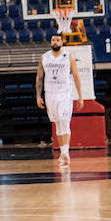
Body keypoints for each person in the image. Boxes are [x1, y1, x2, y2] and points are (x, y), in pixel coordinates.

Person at [37, 33, 85, 167]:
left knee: (64, 121)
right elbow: (39, 78)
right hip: (50, 94)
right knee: (57, 123)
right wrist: (38, 95)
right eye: (53, 40)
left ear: (62, 42)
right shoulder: (44, 57)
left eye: (58, 40)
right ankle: (63, 153)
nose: (55, 42)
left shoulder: (68, 56)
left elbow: (76, 77)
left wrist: (80, 96)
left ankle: (66, 152)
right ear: (50, 42)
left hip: (64, 94)